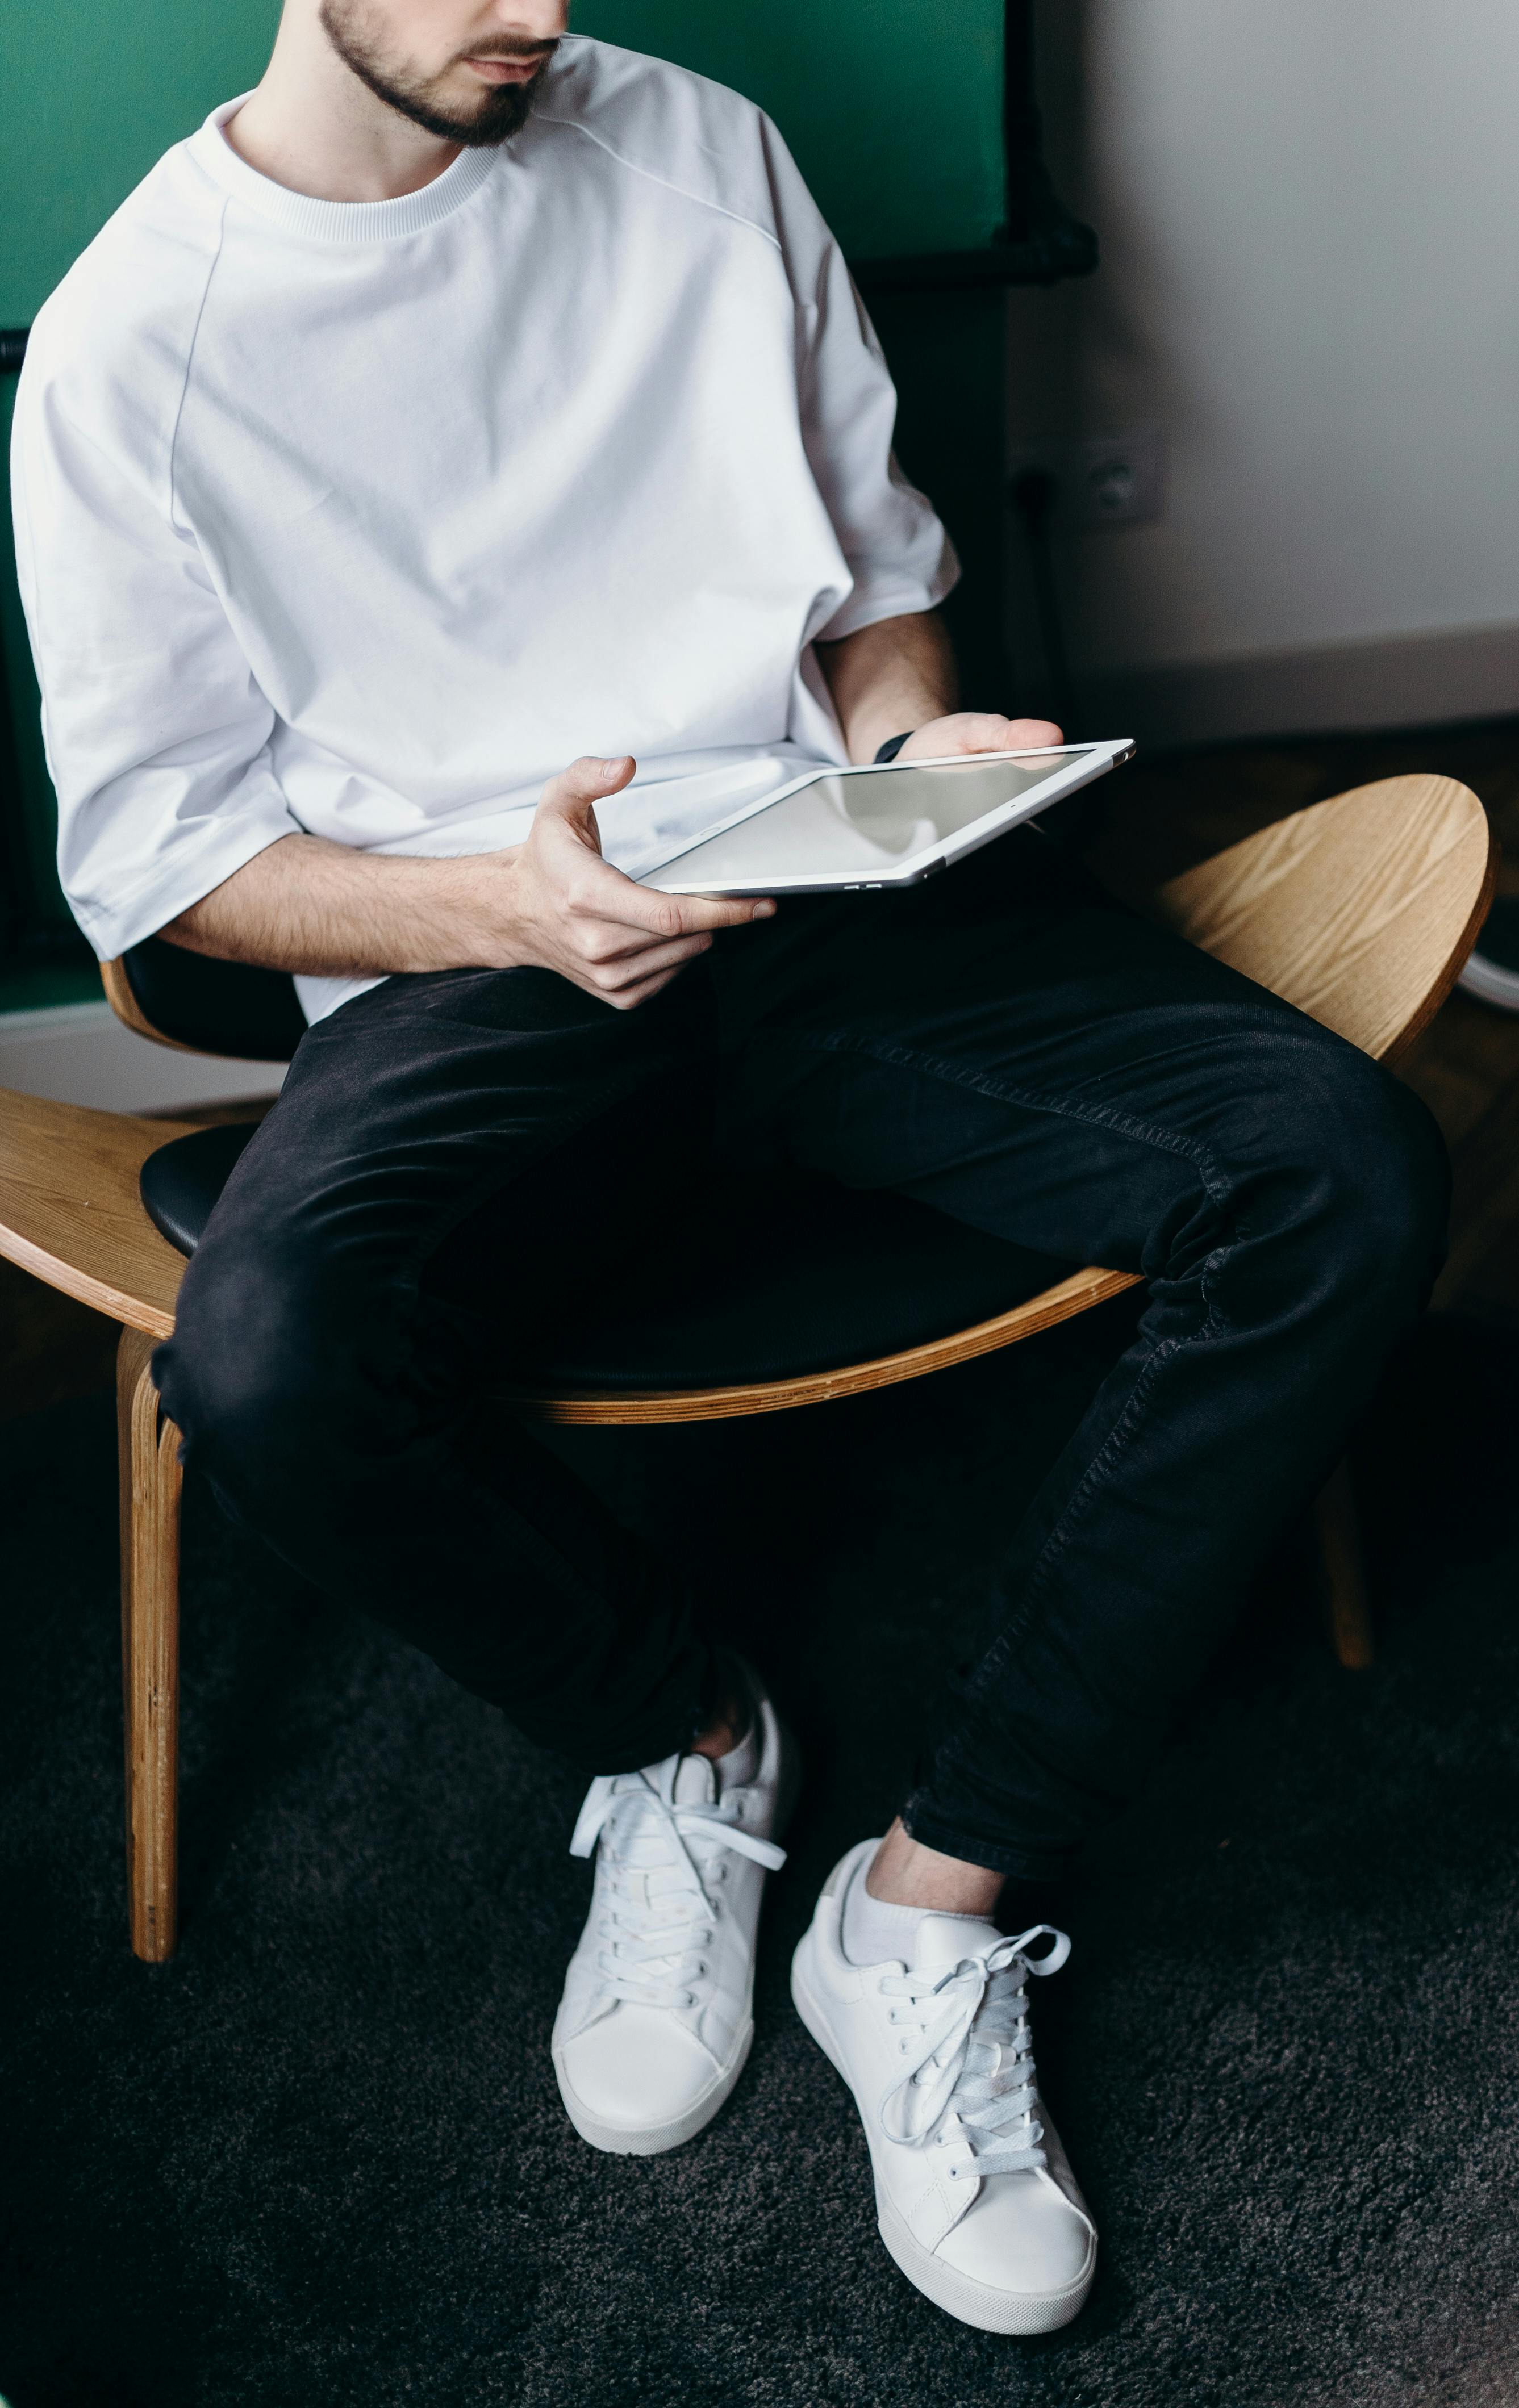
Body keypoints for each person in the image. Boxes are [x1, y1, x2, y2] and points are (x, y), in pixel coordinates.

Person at [11, 0, 1448, 2338]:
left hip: (830, 895)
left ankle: (931, 1903)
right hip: (477, 960)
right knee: (261, 1362)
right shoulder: (124, 350)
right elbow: (174, 867)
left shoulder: (696, 152)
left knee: (1343, 1179)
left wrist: (909, 746)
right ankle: (685, 1740)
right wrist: (509, 908)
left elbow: (868, 578)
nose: (544, 15)